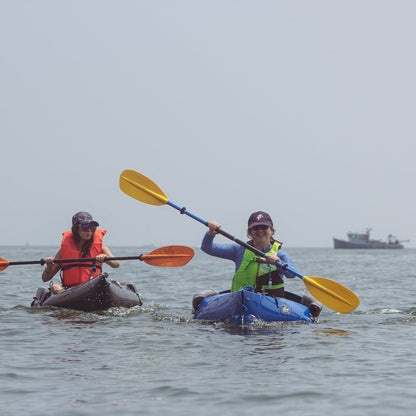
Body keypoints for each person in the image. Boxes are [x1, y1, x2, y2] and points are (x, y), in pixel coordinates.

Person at [201, 211, 296, 298]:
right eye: (255, 228)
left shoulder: (281, 255)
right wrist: (210, 233)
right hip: (240, 300)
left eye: (264, 227)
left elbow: (291, 274)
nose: (260, 231)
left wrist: (278, 263)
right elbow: (207, 248)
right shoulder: (238, 250)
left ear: (271, 230)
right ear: (250, 232)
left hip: (271, 302)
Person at [42, 212, 120, 293]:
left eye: (93, 227)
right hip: (71, 290)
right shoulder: (63, 251)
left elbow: (116, 264)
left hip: (94, 287)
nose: (89, 230)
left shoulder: (102, 248)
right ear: (76, 229)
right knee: (55, 287)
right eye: (85, 227)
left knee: (115, 283)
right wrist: (49, 266)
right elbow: (45, 279)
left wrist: (106, 258)